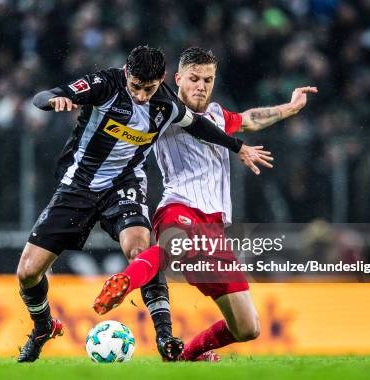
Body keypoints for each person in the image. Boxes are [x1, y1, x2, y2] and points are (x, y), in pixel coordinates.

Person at [17, 46, 272, 362]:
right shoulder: (104, 85)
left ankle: (165, 338)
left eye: (148, 89)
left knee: (140, 250)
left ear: (161, 81)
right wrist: (54, 101)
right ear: (126, 73)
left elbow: (199, 125)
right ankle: (43, 327)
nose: (140, 95)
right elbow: (43, 95)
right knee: (28, 272)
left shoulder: (165, 103)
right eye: (135, 86)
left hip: (125, 185)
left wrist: (238, 147)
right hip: (79, 187)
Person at [92, 47, 317, 361]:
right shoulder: (162, 110)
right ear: (178, 79)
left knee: (247, 328)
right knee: (174, 243)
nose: (201, 86)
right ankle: (126, 280)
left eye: (208, 80)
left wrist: (292, 107)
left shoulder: (217, 115)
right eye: (194, 78)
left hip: (214, 228)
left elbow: (250, 119)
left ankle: (184, 358)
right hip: (178, 208)